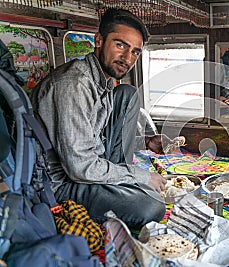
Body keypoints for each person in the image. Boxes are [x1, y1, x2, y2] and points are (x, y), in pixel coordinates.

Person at [30, 8, 168, 229]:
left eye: (135, 52)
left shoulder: (102, 83)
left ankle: (120, 181)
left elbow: (97, 138)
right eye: (120, 45)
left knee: (127, 94)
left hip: (87, 166)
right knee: (152, 204)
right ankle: (123, 185)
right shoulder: (74, 85)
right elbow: (80, 167)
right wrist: (140, 177)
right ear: (99, 41)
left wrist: (146, 143)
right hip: (64, 183)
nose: (127, 58)